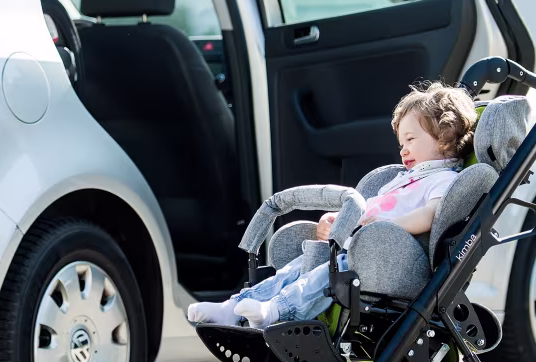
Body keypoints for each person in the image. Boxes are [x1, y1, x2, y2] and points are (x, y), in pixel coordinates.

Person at [189, 81, 477, 329]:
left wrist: (382, 226)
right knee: (298, 265)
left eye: (411, 139)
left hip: (388, 258)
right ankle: (235, 306)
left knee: (327, 271)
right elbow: (369, 211)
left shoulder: (442, 179)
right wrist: (340, 221)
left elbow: (429, 217)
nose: (403, 149)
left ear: (444, 137)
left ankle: (279, 310)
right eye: (400, 142)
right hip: (358, 244)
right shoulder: (400, 180)